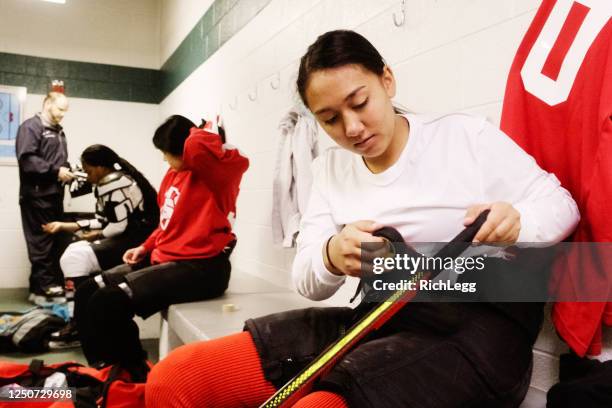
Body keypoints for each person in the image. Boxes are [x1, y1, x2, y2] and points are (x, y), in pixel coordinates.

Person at [145, 30, 580, 408]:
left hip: (479, 337)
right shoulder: (331, 170)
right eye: (330, 119)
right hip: (380, 322)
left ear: (386, 80)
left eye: (359, 103)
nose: (351, 128)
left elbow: (561, 205)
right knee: (174, 379)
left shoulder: (464, 136)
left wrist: (519, 221)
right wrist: (332, 255)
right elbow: (308, 280)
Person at [73, 115, 249, 380]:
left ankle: (134, 377)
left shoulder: (216, 176)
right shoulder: (173, 174)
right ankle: (103, 372)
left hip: (201, 267)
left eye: (168, 154)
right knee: (86, 292)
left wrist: (198, 132)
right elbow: (167, 223)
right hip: (165, 257)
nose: (165, 160)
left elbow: (223, 154)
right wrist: (145, 246)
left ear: (186, 149)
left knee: (107, 303)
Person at [42, 144, 159, 349]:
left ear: (101, 167)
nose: (86, 176)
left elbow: (117, 226)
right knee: (72, 252)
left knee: (73, 257)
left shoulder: (115, 184)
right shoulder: (111, 181)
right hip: (129, 236)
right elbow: (104, 221)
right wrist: (67, 226)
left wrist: (95, 235)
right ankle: (77, 318)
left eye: (88, 170)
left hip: (137, 241)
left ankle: (78, 323)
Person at [16, 92, 74, 304]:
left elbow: (59, 160)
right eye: (60, 109)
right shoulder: (31, 127)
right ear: (48, 104)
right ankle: (45, 290)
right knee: (42, 243)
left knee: (52, 240)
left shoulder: (58, 131)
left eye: (65, 111)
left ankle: (37, 289)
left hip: (53, 195)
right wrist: (56, 171)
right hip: (37, 195)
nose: (62, 115)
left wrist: (66, 170)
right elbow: (28, 160)